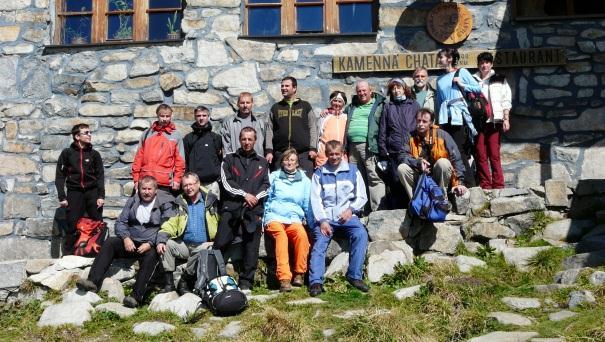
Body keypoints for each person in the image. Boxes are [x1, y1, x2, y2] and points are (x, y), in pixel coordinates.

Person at [76, 176, 176, 308]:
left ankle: (136, 297)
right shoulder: (134, 200)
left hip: (150, 244)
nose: (146, 192)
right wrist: (126, 238)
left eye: (149, 189)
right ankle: (92, 281)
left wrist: (151, 243)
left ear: (156, 190)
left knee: (152, 255)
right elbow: (120, 222)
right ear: (139, 190)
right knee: (110, 242)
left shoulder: (165, 203)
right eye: (143, 189)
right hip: (131, 241)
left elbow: (166, 226)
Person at [308, 140, 369, 297]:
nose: (334, 157)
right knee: (320, 243)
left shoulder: (353, 171)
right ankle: (316, 281)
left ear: (343, 154)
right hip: (326, 218)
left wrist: (351, 210)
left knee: (361, 234)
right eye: (331, 154)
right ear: (326, 154)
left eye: (337, 154)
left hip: (347, 217)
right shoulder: (319, 173)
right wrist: (322, 221)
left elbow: (362, 196)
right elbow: (315, 200)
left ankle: (354, 276)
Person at [213, 127, 270, 291]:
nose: (247, 142)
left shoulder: (262, 162)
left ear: (255, 140)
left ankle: (246, 282)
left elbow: (266, 185)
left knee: (251, 248)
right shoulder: (229, 159)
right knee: (220, 243)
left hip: (253, 210)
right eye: (244, 139)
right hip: (231, 208)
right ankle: (213, 278)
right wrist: (244, 195)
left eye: (250, 139)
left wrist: (255, 198)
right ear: (239, 139)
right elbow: (226, 182)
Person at [156, 172, 219, 294]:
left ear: (198, 184)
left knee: (205, 248)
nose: (188, 188)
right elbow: (171, 224)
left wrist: (217, 239)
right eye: (185, 186)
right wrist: (161, 239)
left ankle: (184, 280)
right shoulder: (180, 203)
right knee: (166, 244)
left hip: (204, 245)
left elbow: (220, 222)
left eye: (191, 184)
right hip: (185, 246)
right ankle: (169, 284)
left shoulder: (211, 201)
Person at [263, 149, 312, 292]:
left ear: (297, 163)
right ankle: (284, 279)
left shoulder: (305, 180)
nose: (289, 162)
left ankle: (299, 273)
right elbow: (266, 199)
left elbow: (306, 204)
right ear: (282, 162)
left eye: (292, 160)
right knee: (281, 237)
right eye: (286, 159)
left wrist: (309, 222)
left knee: (302, 236)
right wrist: (263, 220)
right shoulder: (274, 177)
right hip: (275, 216)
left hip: (294, 217)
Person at [397, 108, 468, 200]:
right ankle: (417, 202)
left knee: (443, 162)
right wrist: (417, 163)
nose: (420, 124)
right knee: (402, 168)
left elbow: (456, 159)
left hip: (439, 178)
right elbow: (402, 155)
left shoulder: (443, 135)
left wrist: (459, 183)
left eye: (424, 121)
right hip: (420, 176)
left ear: (431, 123)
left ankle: (441, 199)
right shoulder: (410, 137)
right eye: (418, 121)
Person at [435, 48, 481, 188]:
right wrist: (437, 122)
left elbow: (477, 89)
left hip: (459, 117)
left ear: (449, 59)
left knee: (459, 150)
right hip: (445, 119)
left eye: (441, 57)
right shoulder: (439, 79)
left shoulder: (462, 72)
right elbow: (439, 102)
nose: (439, 60)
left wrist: (462, 84)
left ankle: (469, 184)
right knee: (449, 151)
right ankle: (456, 182)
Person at [55, 123, 105, 253]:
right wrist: (62, 196)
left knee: (98, 223)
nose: (90, 135)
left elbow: (100, 176)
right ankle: (69, 255)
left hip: (92, 192)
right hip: (74, 192)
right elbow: (60, 176)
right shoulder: (67, 153)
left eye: (90, 132)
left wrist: (101, 196)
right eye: (86, 133)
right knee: (72, 225)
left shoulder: (94, 154)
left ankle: (96, 253)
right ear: (77, 136)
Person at [343, 80, 387, 211]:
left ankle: (378, 210)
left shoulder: (379, 105)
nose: (362, 93)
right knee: (356, 179)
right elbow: (338, 114)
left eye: (364, 90)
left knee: (374, 177)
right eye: (359, 91)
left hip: (369, 146)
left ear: (370, 90)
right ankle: (360, 210)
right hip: (351, 148)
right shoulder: (351, 107)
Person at [472, 52, 512, 189]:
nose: (484, 65)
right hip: (478, 123)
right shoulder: (472, 80)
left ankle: (499, 185)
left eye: (487, 62)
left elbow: (506, 100)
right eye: (482, 63)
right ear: (478, 65)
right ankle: (485, 185)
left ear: (491, 64)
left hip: (494, 122)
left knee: (494, 154)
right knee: (481, 154)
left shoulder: (500, 79)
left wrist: (506, 118)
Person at [265, 76, 317, 176]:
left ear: (294, 88)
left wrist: (313, 148)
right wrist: (269, 151)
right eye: (282, 86)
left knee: (306, 183)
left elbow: (313, 127)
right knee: (280, 185)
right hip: (281, 154)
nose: (283, 88)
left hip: (303, 155)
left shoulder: (305, 106)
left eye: (287, 86)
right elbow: (269, 130)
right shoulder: (275, 108)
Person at [132, 103, 186, 195]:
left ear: (171, 116)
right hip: (145, 181)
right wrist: (136, 179)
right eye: (162, 116)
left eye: (167, 116)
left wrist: (177, 179)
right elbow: (138, 158)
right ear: (157, 115)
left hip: (164, 182)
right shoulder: (146, 134)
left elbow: (180, 161)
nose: (164, 119)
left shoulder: (176, 135)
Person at [379, 78, 421, 182]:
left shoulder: (414, 105)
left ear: (404, 89)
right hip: (395, 150)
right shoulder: (388, 107)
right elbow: (383, 130)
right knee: (397, 181)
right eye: (393, 89)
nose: (396, 91)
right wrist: (383, 153)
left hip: (412, 148)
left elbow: (421, 125)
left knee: (414, 178)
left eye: (398, 87)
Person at [183, 106, 222, 196]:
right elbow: (185, 160)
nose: (201, 118)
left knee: (213, 210)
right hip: (193, 184)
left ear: (208, 116)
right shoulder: (188, 138)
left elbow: (220, 158)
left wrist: (218, 176)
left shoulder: (215, 138)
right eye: (198, 116)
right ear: (195, 117)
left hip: (212, 183)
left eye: (204, 115)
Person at [221, 92, 266, 157]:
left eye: (248, 102)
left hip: (256, 161)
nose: (245, 105)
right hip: (236, 162)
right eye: (242, 103)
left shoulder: (260, 123)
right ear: (238, 104)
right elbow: (226, 146)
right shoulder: (229, 123)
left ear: (252, 104)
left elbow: (264, 144)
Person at [315, 91, 348, 167]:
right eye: (335, 101)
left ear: (343, 104)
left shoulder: (346, 117)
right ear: (331, 102)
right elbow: (318, 134)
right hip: (324, 153)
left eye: (340, 101)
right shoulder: (324, 116)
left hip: (340, 153)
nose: (337, 103)